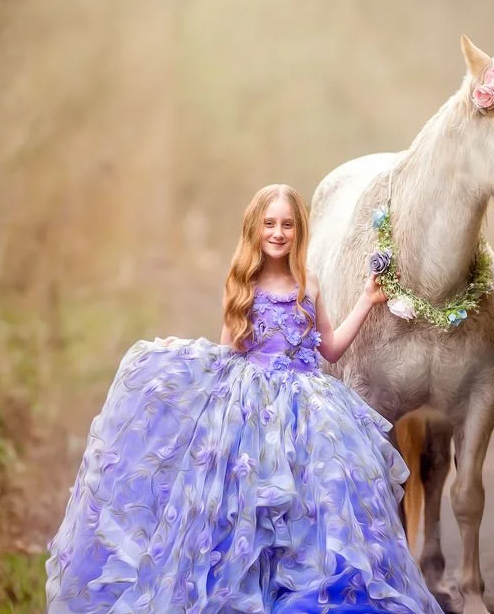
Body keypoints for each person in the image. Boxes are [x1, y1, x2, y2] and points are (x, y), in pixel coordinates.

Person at [45, 184, 443, 613]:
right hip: (251, 411)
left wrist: (366, 300)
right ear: (255, 229)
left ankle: (306, 592)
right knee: (246, 505)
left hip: (309, 412)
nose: (278, 232)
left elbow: (329, 349)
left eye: (287, 224)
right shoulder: (242, 282)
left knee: (314, 502)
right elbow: (228, 355)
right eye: (269, 224)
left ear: (299, 230)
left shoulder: (310, 281)